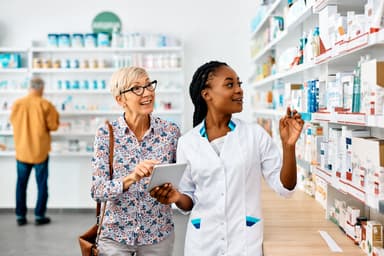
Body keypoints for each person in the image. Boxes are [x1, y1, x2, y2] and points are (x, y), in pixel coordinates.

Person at [150, 61, 304, 255]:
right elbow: (188, 201)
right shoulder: (188, 142)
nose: (239, 90)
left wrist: (288, 146)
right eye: (230, 85)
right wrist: (175, 197)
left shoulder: (254, 135)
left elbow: (285, 188)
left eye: (239, 84)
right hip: (203, 242)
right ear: (207, 95)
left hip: (243, 241)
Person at [91, 66, 181, 256]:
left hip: (158, 235)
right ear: (120, 99)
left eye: (149, 85)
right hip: (115, 236)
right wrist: (131, 178)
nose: (147, 92)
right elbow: (97, 191)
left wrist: (171, 190)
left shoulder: (170, 132)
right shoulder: (106, 134)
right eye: (136, 88)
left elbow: (184, 181)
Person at [10, 77, 60, 226]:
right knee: (42, 184)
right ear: (42, 88)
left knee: (21, 184)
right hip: (40, 152)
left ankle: (20, 216)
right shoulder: (45, 104)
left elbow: (13, 122)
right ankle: (39, 216)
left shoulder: (17, 104)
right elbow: (53, 126)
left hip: (22, 150)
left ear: (29, 87)